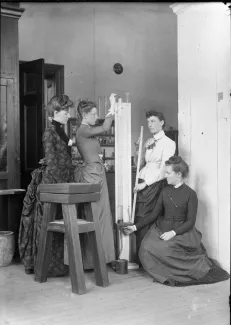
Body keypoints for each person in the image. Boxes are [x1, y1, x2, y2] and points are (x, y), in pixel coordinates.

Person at [123, 156, 230, 286]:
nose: (165, 175)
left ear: (178, 174)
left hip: (181, 231)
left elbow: (190, 221)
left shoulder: (191, 194)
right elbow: (153, 215)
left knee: (166, 251)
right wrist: (134, 227)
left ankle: (175, 275)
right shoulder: (164, 191)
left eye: (168, 173)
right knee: (145, 249)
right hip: (161, 228)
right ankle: (163, 274)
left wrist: (173, 233)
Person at [18, 94, 76, 276]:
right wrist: (61, 185)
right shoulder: (50, 131)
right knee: (47, 222)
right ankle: (42, 265)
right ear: (56, 112)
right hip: (52, 182)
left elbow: (62, 157)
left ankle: (55, 266)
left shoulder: (61, 130)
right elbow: (51, 161)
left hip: (61, 181)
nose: (69, 115)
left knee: (57, 223)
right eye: (66, 112)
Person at [74, 94, 116, 269]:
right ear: (85, 116)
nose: (95, 117)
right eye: (93, 114)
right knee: (96, 214)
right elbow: (106, 126)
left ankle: (101, 258)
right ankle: (94, 260)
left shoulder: (87, 132)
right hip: (92, 174)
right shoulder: (83, 129)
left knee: (102, 214)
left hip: (96, 172)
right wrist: (112, 106)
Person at [134, 110, 176, 264]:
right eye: (148, 121)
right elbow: (142, 163)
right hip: (142, 181)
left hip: (154, 184)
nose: (149, 124)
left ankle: (148, 260)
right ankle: (141, 259)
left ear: (162, 122)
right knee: (139, 217)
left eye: (153, 121)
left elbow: (164, 169)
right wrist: (139, 148)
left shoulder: (169, 143)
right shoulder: (150, 141)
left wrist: (146, 183)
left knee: (147, 219)